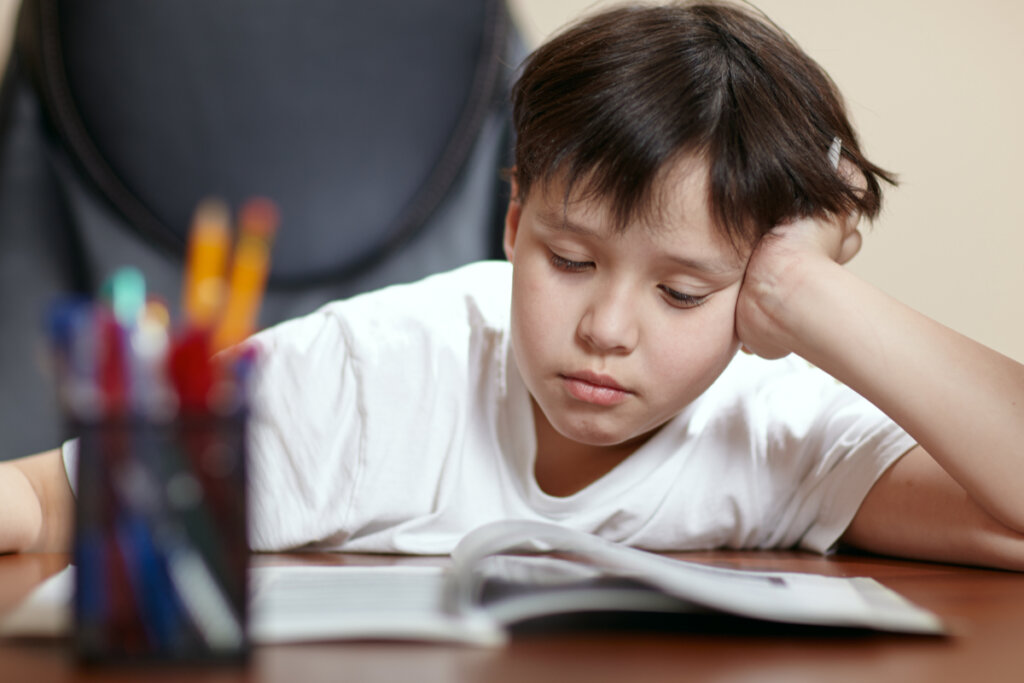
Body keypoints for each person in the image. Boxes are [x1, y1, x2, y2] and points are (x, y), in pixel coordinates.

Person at [2, 1, 1023, 569]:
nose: (606, 328)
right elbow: (46, 507)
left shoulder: (773, 423)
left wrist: (814, 293)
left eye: (681, 293)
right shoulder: (368, 378)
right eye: (569, 259)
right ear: (513, 222)